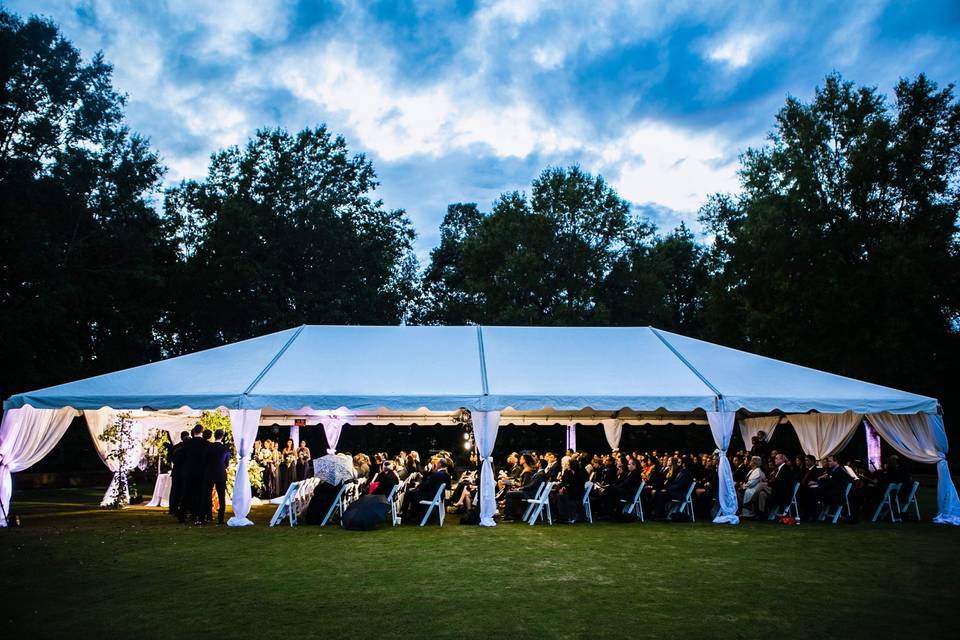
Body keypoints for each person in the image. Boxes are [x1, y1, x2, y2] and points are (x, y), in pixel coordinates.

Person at [178, 424, 209, 524]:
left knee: (186, 494)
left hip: (189, 472)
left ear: (193, 431)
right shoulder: (206, 444)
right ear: (202, 431)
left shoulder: (187, 443)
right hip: (202, 473)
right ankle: (200, 516)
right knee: (200, 495)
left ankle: (182, 516)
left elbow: (182, 457)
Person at [502, 454, 544, 521]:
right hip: (528, 491)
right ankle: (513, 514)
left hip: (529, 493)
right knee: (511, 491)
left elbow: (527, 485)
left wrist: (518, 487)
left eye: (521, 459)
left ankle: (509, 515)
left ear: (524, 460)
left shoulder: (528, 471)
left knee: (509, 493)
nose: (519, 460)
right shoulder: (528, 470)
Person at [203, 429, 231, 524]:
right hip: (220, 473)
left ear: (214, 436)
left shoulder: (208, 447)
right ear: (222, 437)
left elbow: (205, 460)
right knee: (221, 496)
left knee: (207, 495)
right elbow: (227, 463)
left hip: (209, 473)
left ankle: (208, 516)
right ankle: (221, 518)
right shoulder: (225, 448)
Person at [555, 457, 588, 523]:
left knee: (562, 497)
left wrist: (565, 488)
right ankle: (562, 517)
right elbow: (564, 482)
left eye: (568, 464)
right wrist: (562, 488)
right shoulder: (567, 471)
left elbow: (579, 485)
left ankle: (564, 517)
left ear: (573, 465)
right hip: (569, 490)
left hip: (577, 492)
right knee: (558, 496)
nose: (567, 466)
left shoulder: (581, 472)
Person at [168, 431, 190, 517]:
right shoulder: (188, 450)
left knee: (174, 491)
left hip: (176, 472)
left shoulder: (175, 448)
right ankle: (184, 508)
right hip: (184, 472)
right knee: (183, 491)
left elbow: (171, 459)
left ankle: (172, 508)